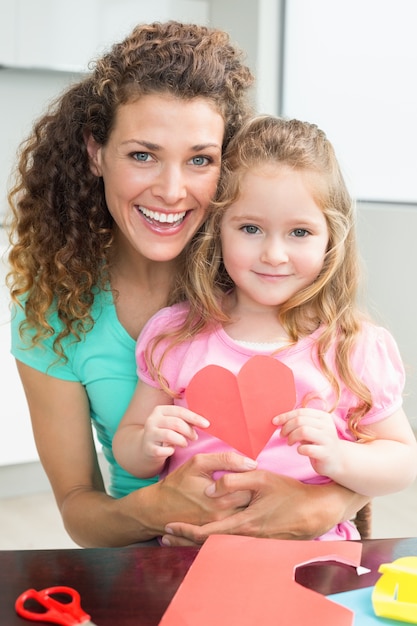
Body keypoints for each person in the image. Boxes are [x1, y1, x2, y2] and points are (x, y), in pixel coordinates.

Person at [7, 21, 369, 549]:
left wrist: (319, 505)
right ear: (95, 153)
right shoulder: (51, 312)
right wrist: (157, 510)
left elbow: (370, 439)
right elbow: (78, 508)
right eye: (142, 155)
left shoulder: (264, 275)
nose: (172, 191)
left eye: (200, 159)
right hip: (153, 562)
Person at [113, 115, 417, 542]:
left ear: (331, 238)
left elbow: (403, 462)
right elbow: (127, 446)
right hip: (190, 557)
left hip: (313, 563)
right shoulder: (176, 335)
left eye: (299, 232)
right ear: (218, 230)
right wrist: (147, 444)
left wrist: (339, 457)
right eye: (251, 228)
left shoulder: (351, 346)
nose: (274, 254)